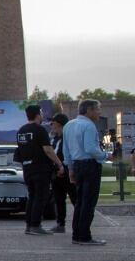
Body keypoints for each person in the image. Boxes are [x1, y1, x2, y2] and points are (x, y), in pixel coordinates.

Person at [64, 98, 110, 245]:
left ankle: (77, 235)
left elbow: (66, 150)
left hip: (77, 165)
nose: (99, 112)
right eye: (97, 109)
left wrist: (70, 168)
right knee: (88, 202)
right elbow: (90, 148)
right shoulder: (89, 126)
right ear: (89, 110)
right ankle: (84, 236)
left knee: (79, 202)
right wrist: (105, 155)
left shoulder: (69, 125)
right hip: (90, 166)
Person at [15, 104, 62, 236]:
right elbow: (48, 149)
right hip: (40, 169)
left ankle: (29, 225)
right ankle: (36, 225)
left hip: (27, 169)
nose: (42, 116)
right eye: (41, 113)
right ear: (37, 115)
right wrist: (59, 164)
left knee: (32, 196)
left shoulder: (21, 131)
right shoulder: (40, 130)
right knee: (41, 197)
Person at [48, 112, 71, 233]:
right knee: (58, 200)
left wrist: (64, 168)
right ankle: (60, 224)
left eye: (53, 124)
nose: (51, 126)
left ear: (59, 124)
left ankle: (79, 224)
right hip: (56, 175)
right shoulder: (54, 139)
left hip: (68, 173)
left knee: (75, 198)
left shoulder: (69, 138)